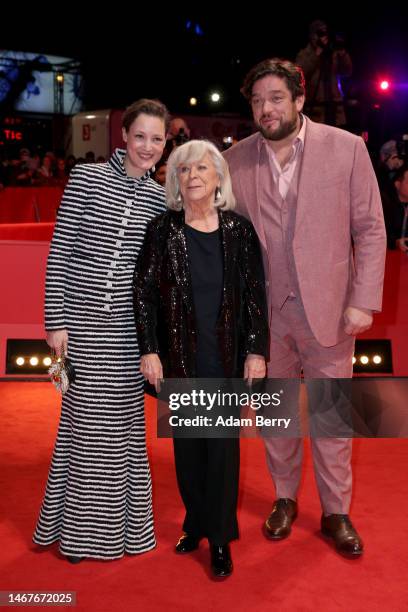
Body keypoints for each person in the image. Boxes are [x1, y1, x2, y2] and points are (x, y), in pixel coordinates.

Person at [224, 58, 386, 557]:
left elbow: (371, 229)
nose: (266, 109)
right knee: (276, 415)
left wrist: (363, 301)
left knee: (331, 415)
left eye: (276, 98)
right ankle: (284, 498)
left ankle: (336, 510)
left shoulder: (347, 148)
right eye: (257, 101)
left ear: (298, 100)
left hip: (332, 312)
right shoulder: (235, 159)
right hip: (266, 314)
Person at [33, 98, 169, 563]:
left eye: (157, 138)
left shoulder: (160, 199)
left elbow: (151, 279)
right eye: (140, 136)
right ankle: (84, 537)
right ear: (124, 136)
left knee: (124, 430)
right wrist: (56, 321)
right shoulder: (86, 179)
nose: (147, 146)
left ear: (165, 142)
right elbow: (60, 253)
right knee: (88, 428)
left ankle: (125, 531)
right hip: (84, 329)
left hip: (128, 335)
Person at [133, 140, 268, 577]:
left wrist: (256, 350)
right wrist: (149, 349)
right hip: (180, 360)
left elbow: (252, 297)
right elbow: (144, 294)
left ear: (217, 177)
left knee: (222, 453)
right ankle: (195, 523)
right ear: (175, 179)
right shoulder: (161, 230)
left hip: (226, 360)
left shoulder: (240, 231)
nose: (192, 176)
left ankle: (221, 539)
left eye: (201, 169)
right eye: (183, 170)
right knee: (189, 452)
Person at [296, 20, 352, 127]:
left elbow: (347, 71)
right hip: (315, 110)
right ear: (312, 36)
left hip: (335, 110)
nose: (324, 37)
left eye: (325, 33)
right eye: (320, 33)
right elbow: (299, 76)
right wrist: (316, 55)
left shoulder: (333, 53)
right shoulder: (304, 55)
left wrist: (343, 53)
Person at [382, 164, 408, 252]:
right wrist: (396, 242)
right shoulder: (386, 204)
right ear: (397, 184)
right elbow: (380, 234)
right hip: (388, 253)